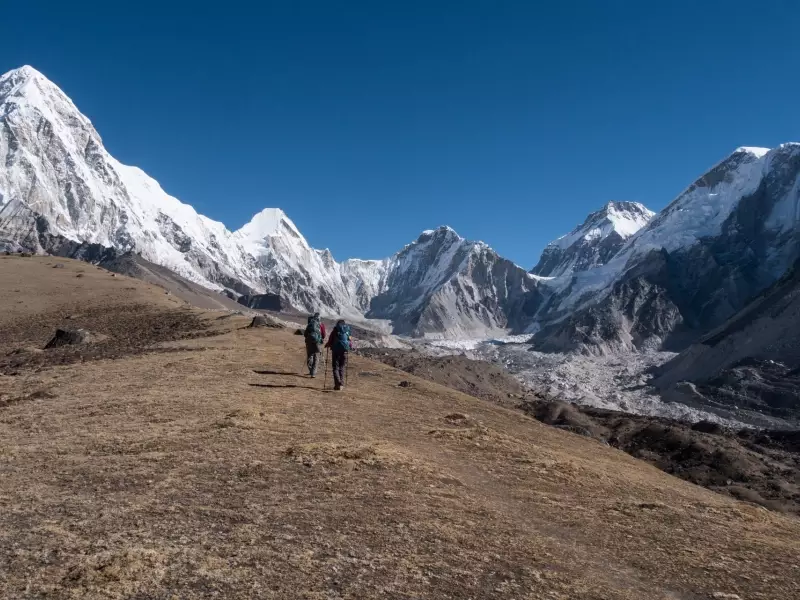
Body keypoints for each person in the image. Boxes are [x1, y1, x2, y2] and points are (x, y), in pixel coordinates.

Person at [325, 319, 353, 391]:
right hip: (344, 352)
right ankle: (341, 384)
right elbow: (350, 341)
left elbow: (330, 340)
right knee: (341, 367)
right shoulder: (347, 331)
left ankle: (337, 383)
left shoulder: (335, 331)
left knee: (335, 367)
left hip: (335, 351)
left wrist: (327, 345)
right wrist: (349, 347)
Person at [304, 312, 326, 378]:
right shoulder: (321, 325)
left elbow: (305, 334)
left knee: (310, 355)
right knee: (316, 357)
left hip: (309, 342)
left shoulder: (310, 324)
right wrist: (321, 338)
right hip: (318, 342)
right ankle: (313, 373)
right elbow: (324, 335)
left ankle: (310, 370)